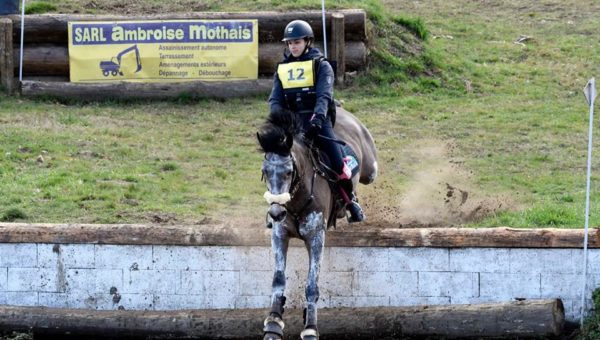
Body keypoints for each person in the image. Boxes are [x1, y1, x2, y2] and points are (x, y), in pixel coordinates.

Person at [268, 19, 364, 223]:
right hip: (292, 126)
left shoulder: (322, 65)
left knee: (339, 165)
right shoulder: (282, 69)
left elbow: (324, 96)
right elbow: (275, 99)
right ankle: (275, 207)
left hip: (317, 123)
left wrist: (318, 119)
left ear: (307, 42)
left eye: (297, 42)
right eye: (290, 43)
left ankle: (350, 201)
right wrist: (279, 121)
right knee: (275, 165)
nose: (293, 46)